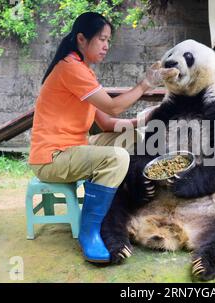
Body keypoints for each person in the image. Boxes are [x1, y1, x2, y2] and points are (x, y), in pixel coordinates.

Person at [28, 12, 172, 263]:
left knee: (133, 138)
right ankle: (90, 230)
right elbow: (114, 107)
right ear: (82, 39)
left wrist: (143, 120)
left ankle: (130, 203)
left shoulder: (83, 71)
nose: (106, 46)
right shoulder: (70, 69)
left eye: (109, 40)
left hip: (75, 147)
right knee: (116, 158)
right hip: (52, 157)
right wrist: (144, 85)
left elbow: (106, 122)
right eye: (102, 39)